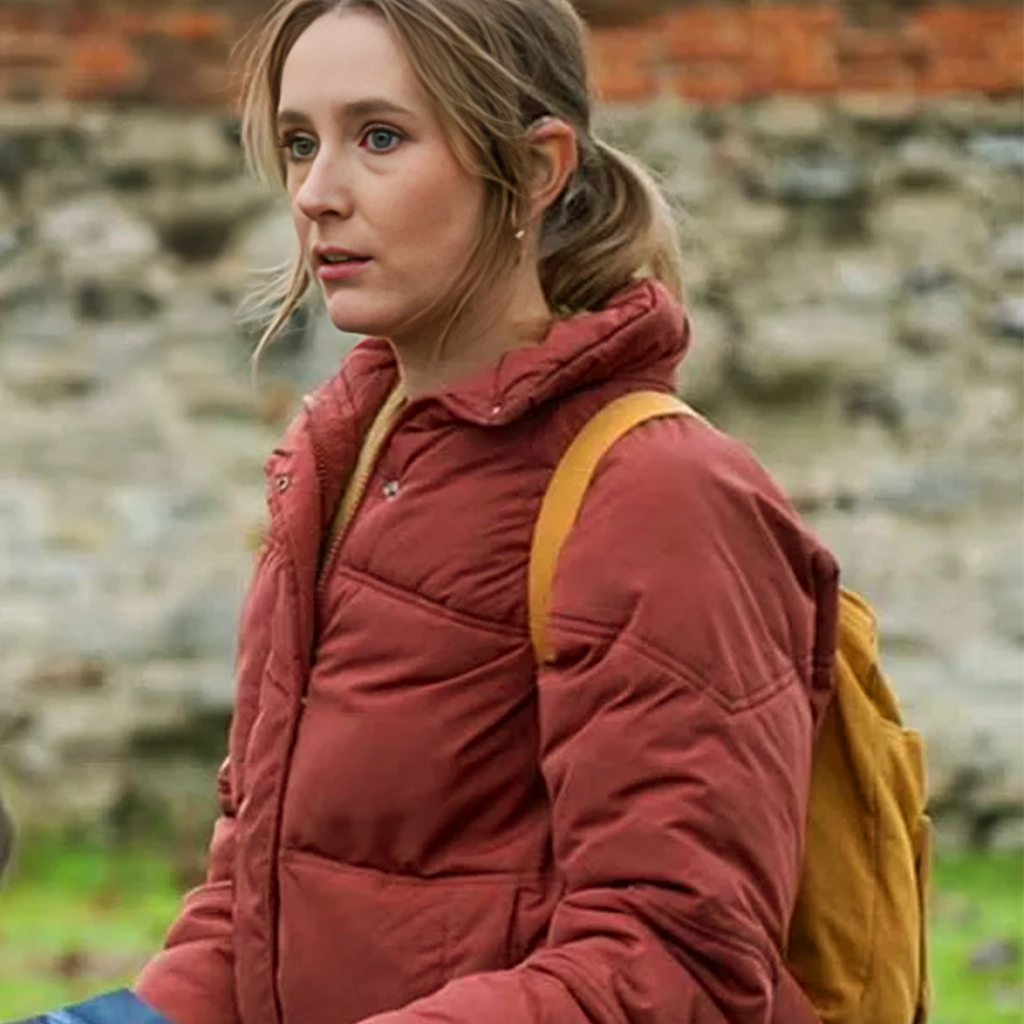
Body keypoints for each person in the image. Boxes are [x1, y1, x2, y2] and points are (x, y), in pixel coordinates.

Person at [134, 1, 840, 1022]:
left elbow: (678, 961)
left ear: (539, 166)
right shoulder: (335, 470)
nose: (317, 193)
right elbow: (256, 900)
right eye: (299, 143)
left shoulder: (660, 494)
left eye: (381, 137)